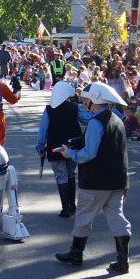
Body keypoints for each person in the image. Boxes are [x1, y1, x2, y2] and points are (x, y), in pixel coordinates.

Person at [55, 82, 132, 274]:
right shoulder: (118, 121)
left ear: (95, 100)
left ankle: (76, 253)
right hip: (117, 180)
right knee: (117, 218)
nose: (83, 102)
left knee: (84, 217)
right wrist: (125, 182)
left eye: (86, 99)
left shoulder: (96, 123)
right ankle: (123, 260)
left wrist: (69, 153)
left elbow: (89, 153)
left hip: (96, 180)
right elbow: (122, 153)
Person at [36, 81, 91, 217]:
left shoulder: (49, 110)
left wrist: (40, 148)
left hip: (55, 147)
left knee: (61, 175)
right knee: (71, 173)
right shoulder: (75, 108)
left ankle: (65, 207)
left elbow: (43, 131)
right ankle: (72, 205)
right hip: (73, 146)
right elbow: (88, 120)